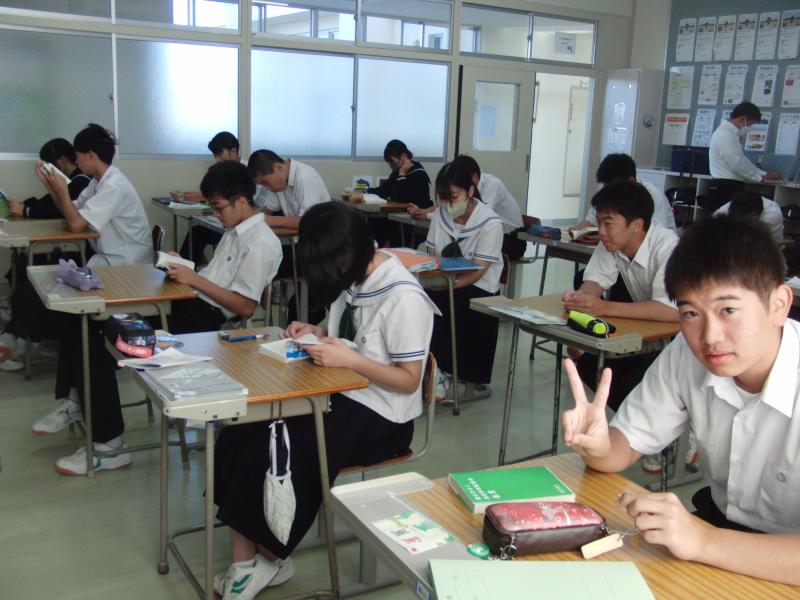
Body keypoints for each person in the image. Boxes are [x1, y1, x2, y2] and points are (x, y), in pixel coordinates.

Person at [211, 202, 436, 599]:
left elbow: (409, 380)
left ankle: (268, 556)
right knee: (241, 431)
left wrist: (352, 361)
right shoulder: (355, 274)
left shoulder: (403, 297)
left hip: (383, 416)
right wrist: (314, 331)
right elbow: (347, 333)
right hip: (340, 390)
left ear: (347, 254)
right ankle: (248, 561)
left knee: (282, 448)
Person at [561, 215, 800, 586]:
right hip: (720, 531)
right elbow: (624, 447)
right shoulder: (687, 355)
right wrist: (599, 445)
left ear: (778, 304)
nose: (710, 336)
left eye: (728, 310)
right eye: (690, 313)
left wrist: (702, 540)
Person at [32, 160, 283, 476]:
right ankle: (77, 400)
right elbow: (215, 279)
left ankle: (110, 445)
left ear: (242, 201)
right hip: (188, 306)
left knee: (95, 344)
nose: (216, 214)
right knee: (79, 321)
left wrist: (194, 279)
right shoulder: (235, 230)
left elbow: (244, 306)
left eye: (218, 207)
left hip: (204, 326)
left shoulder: (260, 241)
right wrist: (187, 267)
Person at [0, 124, 151, 370]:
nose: (76, 160)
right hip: (106, 259)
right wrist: (51, 185)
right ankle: (38, 340)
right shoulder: (99, 182)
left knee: (44, 288)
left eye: (78, 155)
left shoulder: (114, 186)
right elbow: (71, 210)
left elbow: (75, 224)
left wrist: (60, 188)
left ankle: (34, 341)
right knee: (38, 281)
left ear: (90, 155)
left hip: (124, 267)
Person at [562, 180, 679, 412]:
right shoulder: (611, 243)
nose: (601, 232)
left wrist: (603, 307)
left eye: (608, 223)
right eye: (598, 223)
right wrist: (580, 298)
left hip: (679, 342)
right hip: (648, 335)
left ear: (637, 224)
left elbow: (671, 309)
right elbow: (594, 282)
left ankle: (635, 425)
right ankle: (631, 422)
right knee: (590, 366)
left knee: (631, 384)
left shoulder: (668, 247)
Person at [424, 157, 504, 398]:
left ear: (470, 191)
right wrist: (433, 280)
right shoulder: (440, 217)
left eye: (453, 196)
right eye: (443, 197)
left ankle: (472, 380)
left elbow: (479, 270)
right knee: (419, 300)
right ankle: (434, 370)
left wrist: (448, 285)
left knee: (453, 303)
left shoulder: (490, 223)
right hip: (444, 280)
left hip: (478, 286)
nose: (448, 204)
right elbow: (431, 255)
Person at [248, 149, 330, 322]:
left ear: (278, 167)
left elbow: (307, 221)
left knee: (269, 267)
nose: (266, 187)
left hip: (322, 251)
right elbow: (267, 210)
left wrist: (267, 220)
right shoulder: (280, 183)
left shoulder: (305, 177)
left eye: (265, 182)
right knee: (261, 263)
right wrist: (248, 218)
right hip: (302, 247)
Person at [410, 155, 527, 260]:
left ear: (474, 176)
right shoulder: (463, 191)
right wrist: (422, 211)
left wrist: (428, 216)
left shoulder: (492, 185)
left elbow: (477, 217)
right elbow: (445, 205)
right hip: (488, 234)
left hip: (512, 238)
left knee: (464, 252)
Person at [177, 131, 269, 264]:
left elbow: (249, 201)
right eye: (215, 155)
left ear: (233, 151)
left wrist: (203, 198)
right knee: (197, 231)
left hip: (246, 222)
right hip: (228, 223)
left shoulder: (248, 171)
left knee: (200, 233)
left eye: (220, 154)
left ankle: (187, 266)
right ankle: (185, 265)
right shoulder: (222, 172)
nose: (217, 159)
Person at [570, 153, 677, 237]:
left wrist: (607, 237)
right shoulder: (607, 193)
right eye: (606, 186)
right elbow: (589, 221)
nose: (609, 192)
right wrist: (574, 232)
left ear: (631, 181)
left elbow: (654, 235)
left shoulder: (653, 196)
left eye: (614, 187)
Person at [708, 102, 782, 212]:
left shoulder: (730, 134)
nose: (749, 128)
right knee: (725, 221)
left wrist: (763, 174)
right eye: (750, 124)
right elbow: (737, 163)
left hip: (727, 186)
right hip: (725, 187)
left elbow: (742, 160)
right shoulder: (725, 135)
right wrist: (760, 177)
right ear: (743, 119)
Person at [360, 139, 431, 247]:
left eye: (393, 162)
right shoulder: (396, 172)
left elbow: (404, 196)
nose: (391, 166)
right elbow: (384, 190)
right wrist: (364, 192)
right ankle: (375, 250)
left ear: (403, 156)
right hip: (399, 214)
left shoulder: (418, 173)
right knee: (374, 220)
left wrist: (402, 175)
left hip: (413, 216)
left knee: (389, 226)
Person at [7, 138, 92, 219]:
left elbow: (61, 210)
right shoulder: (70, 179)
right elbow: (49, 200)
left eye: (48, 164)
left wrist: (26, 211)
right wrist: (23, 205)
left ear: (62, 160)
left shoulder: (82, 180)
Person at [714, 189, 783, 244]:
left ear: (757, 214)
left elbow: (760, 244)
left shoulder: (772, 214)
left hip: (767, 246)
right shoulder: (725, 210)